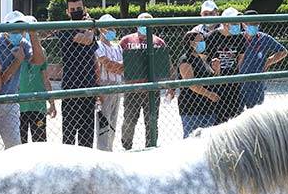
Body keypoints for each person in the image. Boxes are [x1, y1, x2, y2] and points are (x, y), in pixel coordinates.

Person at [0, 11, 39, 163]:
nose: (18, 33)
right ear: (5, 29)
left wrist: (33, 35)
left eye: (21, 29)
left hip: (10, 101)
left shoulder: (23, 43)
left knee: (14, 146)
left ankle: (13, 178)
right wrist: (17, 62)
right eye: (14, 29)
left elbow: (38, 60)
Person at [118, 12, 168, 150]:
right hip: (132, 89)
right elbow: (118, 62)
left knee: (152, 121)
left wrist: (169, 86)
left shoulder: (159, 42)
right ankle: (126, 147)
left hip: (151, 90)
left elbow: (165, 66)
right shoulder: (126, 41)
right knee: (129, 120)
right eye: (141, 23)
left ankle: (150, 146)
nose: (144, 26)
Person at [57, 0, 98, 147]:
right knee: (68, 135)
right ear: (67, 12)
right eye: (72, 9)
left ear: (85, 9)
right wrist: (89, 26)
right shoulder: (63, 28)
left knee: (87, 135)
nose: (76, 11)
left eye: (79, 9)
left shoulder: (91, 27)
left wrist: (89, 27)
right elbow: (86, 39)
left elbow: (93, 53)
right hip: (70, 87)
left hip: (88, 85)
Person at [237, 11, 288, 109]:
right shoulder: (237, 38)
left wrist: (269, 61)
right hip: (238, 84)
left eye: (256, 23)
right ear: (243, 24)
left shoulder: (264, 38)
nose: (254, 26)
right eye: (250, 24)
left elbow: (283, 51)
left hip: (257, 84)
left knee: (255, 114)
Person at [15, 15, 54, 143]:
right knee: (20, 142)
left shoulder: (41, 52)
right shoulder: (16, 50)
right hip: (20, 106)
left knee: (40, 140)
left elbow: (45, 78)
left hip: (38, 105)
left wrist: (52, 103)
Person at [203, 7, 246, 123]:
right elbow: (203, 60)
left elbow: (240, 59)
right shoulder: (211, 37)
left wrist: (237, 74)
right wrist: (213, 69)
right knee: (218, 120)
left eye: (238, 23)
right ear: (225, 23)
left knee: (235, 118)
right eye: (234, 23)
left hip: (233, 83)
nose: (238, 25)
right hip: (216, 84)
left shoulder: (240, 38)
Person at [177, 30, 220, 137]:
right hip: (192, 107)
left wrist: (217, 69)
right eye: (199, 40)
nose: (203, 43)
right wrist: (209, 94)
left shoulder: (202, 58)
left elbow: (213, 79)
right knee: (192, 138)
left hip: (208, 107)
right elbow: (191, 84)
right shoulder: (185, 60)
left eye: (203, 40)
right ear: (191, 43)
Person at [93, 14, 125, 152]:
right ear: (101, 29)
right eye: (108, 27)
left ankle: (109, 149)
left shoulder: (118, 47)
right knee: (103, 123)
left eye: (113, 27)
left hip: (117, 86)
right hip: (105, 86)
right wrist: (117, 66)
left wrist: (115, 66)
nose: (112, 30)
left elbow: (124, 65)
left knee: (113, 121)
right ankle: (102, 151)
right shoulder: (97, 45)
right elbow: (108, 65)